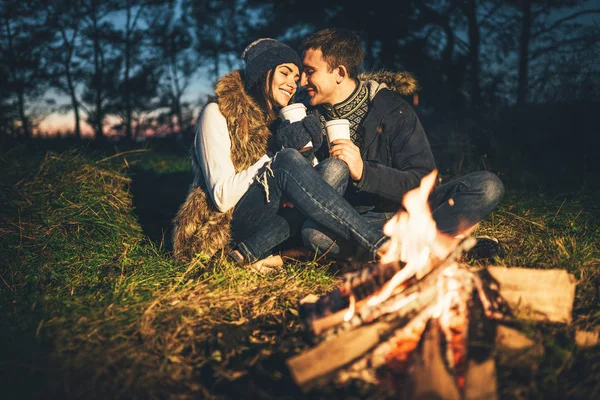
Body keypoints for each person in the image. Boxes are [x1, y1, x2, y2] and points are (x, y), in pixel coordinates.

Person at [171, 38, 388, 267]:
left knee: (335, 168)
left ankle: (249, 253)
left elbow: (311, 189)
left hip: (274, 222)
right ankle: (377, 243)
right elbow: (222, 197)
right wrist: (277, 158)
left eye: (295, 78)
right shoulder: (217, 113)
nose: (293, 84)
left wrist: (308, 150)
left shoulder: (280, 120)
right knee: (286, 160)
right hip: (229, 224)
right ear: (263, 72)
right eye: (284, 73)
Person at [297, 28, 505, 260]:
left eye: (309, 72)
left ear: (339, 72)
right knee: (314, 235)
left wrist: (364, 172)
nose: (302, 81)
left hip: (407, 212)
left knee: (488, 186)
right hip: (354, 221)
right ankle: (435, 248)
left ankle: (394, 250)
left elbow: (423, 179)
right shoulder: (304, 116)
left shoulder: (391, 109)